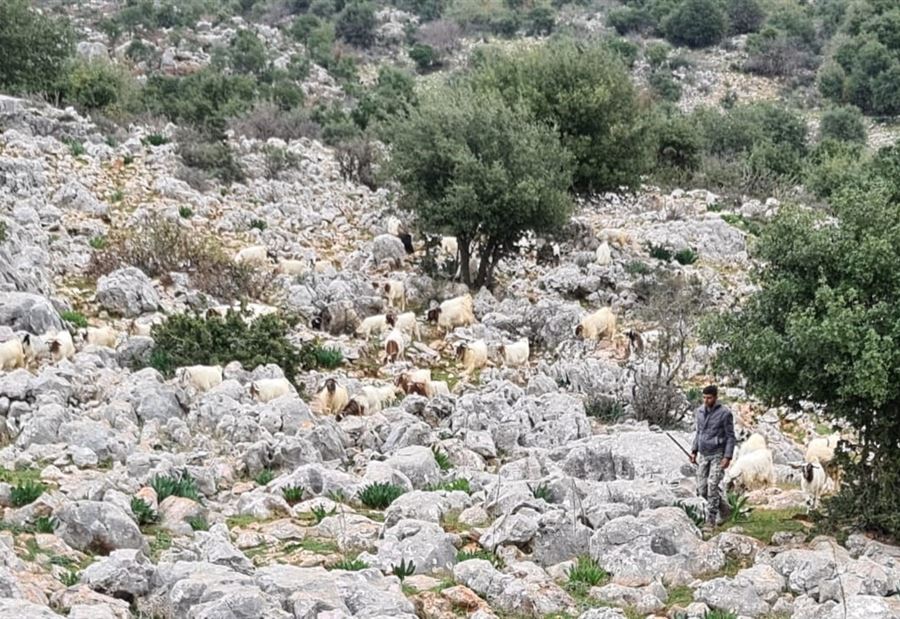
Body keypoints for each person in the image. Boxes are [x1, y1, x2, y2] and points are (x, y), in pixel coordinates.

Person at [690, 385, 735, 530]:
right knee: (702, 488)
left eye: (709, 398)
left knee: (712, 485)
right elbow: (699, 433)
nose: (706, 400)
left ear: (715, 397)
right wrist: (694, 450)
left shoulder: (725, 413)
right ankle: (726, 509)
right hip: (704, 454)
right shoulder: (699, 412)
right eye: (704, 397)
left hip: (718, 454)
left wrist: (727, 457)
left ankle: (711, 520)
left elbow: (730, 437)